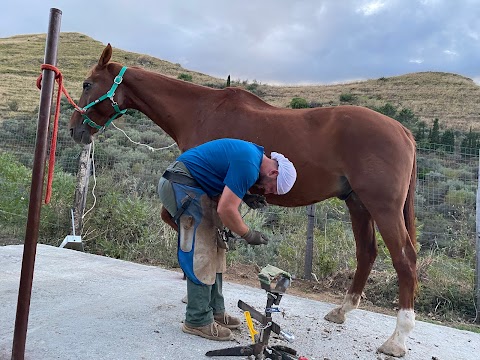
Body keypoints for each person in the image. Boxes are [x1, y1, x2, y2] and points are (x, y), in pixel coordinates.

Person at [157, 138, 297, 341]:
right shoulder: (249, 164)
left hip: (194, 186)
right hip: (181, 184)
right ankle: (197, 320)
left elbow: (221, 177)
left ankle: (215, 310)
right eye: (272, 188)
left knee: (218, 245)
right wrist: (248, 234)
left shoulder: (252, 158)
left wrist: (245, 196)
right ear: (273, 173)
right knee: (202, 248)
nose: (267, 192)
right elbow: (226, 209)